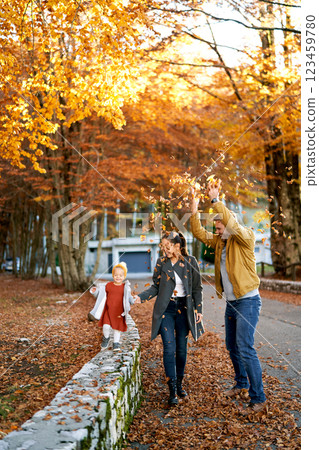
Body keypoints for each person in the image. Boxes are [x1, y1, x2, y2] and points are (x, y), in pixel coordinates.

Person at [189, 179, 267, 415]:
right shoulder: (220, 243)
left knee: (245, 346)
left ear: (229, 225)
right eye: (216, 227)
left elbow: (231, 221)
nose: (217, 230)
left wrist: (215, 200)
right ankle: (241, 384)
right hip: (232, 303)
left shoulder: (245, 237)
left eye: (220, 226)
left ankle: (259, 398)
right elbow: (199, 232)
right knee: (232, 346)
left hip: (248, 301)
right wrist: (194, 210)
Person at [134, 231, 204, 406]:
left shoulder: (190, 262)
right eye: (163, 246)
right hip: (166, 309)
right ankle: (171, 389)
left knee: (181, 349)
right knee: (168, 348)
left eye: (168, 246)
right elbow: (155, 287)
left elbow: (197, 288)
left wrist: (198, 309)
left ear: (177, 246)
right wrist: (140, 297)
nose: (164, 249)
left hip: (184, 309)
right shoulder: (161, 263)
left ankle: (179, 383)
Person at [98, 262, 135, 352]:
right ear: (113, 275)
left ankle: (116, 342)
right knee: (106, 326)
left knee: (116, 328)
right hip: (108, 310)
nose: (118, 277)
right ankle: (106, 338)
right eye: (116, 275)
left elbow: (128, 296)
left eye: (120, 275)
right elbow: (101, 294)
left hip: (119, 311)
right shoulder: (108, 285)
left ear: (124, 276)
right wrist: (95, 291)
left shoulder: (125, 287)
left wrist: (132, 301)